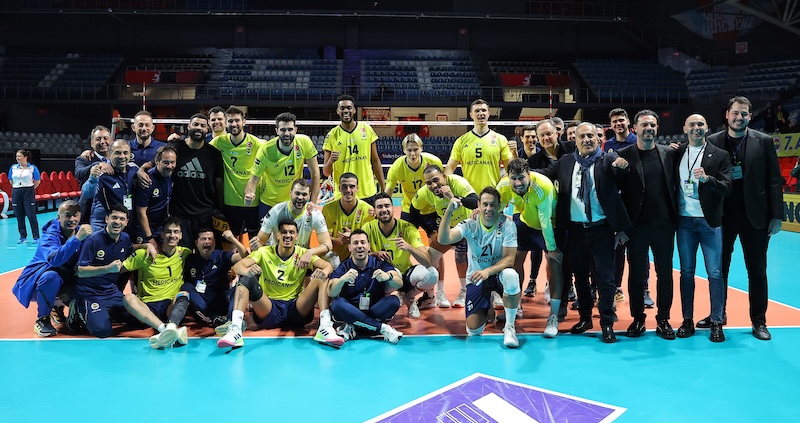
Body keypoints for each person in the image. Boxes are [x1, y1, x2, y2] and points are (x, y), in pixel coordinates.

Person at [536, 122, 632, 343]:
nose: (587, 140)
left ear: (597, 139)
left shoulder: (607, 159)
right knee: (580, 277)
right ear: (575, 140)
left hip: (602, 229)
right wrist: (521, 173)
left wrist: (622, 165)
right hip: (576, 230)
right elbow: (545, 174)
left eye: (591, 136)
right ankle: (585, 318)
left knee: (605, 278)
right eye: (582, 137)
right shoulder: (566, 161)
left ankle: (607, 322)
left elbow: (621, 169)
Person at [706, 96, 784, 341]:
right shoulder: (712, 141)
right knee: (720, 270)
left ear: (750, 116)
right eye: (735, 113)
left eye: (744, 114)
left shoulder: (764, 141)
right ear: (727, 114)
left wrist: (776, 216)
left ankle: (759, 321)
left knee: (757, 271)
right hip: (723, 216)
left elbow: (774, 180)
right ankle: (718, 315)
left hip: (756, 217)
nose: (739, 117)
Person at [217, 220, 343, 348]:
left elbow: (328, 266)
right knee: (246, 279)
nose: (288, 235)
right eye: (284, 232)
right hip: (269, 308)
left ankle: (325, 327)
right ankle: (236, 330)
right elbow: (238, 266)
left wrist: (324, 271)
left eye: (291, 232)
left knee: (322, 278)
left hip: (295, 309)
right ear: (277, 235)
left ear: (297, 236)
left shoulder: (303, 253)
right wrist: (247, 271)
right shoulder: (264, 252)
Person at [616, 110, 679, 340]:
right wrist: (620, 226)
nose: (649, 128)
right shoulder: (623, 156)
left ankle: (663, 319)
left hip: (664, 225)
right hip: (636, 228)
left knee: (665, 275)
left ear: (657, 128)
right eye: (644, 125)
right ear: (635, 128)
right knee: (636, 276)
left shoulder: (669, 154)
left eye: (652, 125)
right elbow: (616, 193)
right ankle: (638, 318)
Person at [438, 187, 520, 348]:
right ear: (478, 205)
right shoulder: (470, 225)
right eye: (485, 204)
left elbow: (510, 259)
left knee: (511, 275)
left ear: (500, 206)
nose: (489, 208)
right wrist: (449, 212)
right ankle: (487, 304)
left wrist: (487, 271)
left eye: (493, 205)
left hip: (498, 275)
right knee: (473, 330)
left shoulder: (507, 224)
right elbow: (443, 239)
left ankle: (510, 327)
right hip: (476, 277)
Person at [674, 114, 732, 342]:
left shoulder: (720, 155)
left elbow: (727, 187)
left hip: (709, 222)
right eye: (692, 125)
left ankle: (717, 321)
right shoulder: (677, 152)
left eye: (700, 124)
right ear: (685, 128)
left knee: (715, 273)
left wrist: (709, 180)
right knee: (686, 273)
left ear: (707, 128)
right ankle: (687, 319)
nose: (696, 128)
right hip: (684, 222)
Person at [497, 158, 562, 337]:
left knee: (555, 263)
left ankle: (554, 316)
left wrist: (551, 248)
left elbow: (545, 221)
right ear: (508, 177)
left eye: (521, 178)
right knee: (514, 261)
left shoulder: (543, 187)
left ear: (529, 175)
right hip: (525, 221)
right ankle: (515, 306)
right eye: (513, 178)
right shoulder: (503, 186)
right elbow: (496, 209)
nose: (518, 183)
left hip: (550, 225)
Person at [138, 113, 223, 247]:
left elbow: (219, 185)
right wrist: (141, 170)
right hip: (180, 215)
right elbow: (154, 162)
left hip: (205, 215)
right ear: (189, 126)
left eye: (202, 126)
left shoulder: (214, 154)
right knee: (183, 255)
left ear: (208, 129)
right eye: (195, 124)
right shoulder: (175, 148)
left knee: (205, 254)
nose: (199, 128)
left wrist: (219, 210)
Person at [12, 201, 91, 337]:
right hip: (39, 280)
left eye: (75, 215)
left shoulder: (82, 233)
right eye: (67, 215)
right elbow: (54, 260)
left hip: (67, 277)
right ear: (59, 217)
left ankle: (57, 307)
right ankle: (42, 319)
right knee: (50, 278)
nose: (72, 219)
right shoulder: (49, 236)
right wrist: (77, 239)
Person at [410, 165, 478, 309]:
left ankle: (465, 291)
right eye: (429, 183)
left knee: (462, 258)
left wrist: (454, 197)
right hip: (448, 229)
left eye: (436, 180)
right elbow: (413, 211)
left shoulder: (457, 182)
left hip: (468, 227)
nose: (433, 185)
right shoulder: (424, 192)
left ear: (444, 177)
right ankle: (434, 295)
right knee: (430, 258)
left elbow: (475, 201)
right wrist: (430, 231)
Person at [362, 192, 438, 319]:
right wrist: (374, 254)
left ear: (393, 208)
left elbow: (427, 261)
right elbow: (357, 258)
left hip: (405, 273)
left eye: (387, 206)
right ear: (374, 211)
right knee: (391, 274)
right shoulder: (368, 228)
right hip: (384, 276)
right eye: (379, 207)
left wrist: (409, 247)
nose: (384, 210)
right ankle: (387, 300)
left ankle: (409, 297)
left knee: (432, 274)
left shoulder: (407, 228)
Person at [121, 217, 192, 349]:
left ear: (181, 235)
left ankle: (171, 326)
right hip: (147, 307)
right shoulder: (144, 254)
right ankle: (166, 330)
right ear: (162, 234)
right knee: (128, 298)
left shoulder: (184, 253)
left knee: (184, 294)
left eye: (176, 232)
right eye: (168, 232)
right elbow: (118, 269)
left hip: (170, 307)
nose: (172, 235)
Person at [604, 108, 649, 306]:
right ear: (610, 125)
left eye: (621, 120)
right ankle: (616, 288)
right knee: (616, 251)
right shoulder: (608, 145)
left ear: (629, 122)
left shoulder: (637, 141)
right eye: (614, 121)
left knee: (639, 251)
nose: (618, 124)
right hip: (616, 205)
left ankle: (644, 289)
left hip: (636, 205)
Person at [327, 229, 405, 344]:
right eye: (355, 243)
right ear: (349, 247)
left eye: (363, 242)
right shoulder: (344, 267)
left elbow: (399, 283)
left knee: (393, 301)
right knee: (336, 304)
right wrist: (342, 279)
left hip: (372, 310)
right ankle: (381, 328)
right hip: (350, 310)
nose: (359, 246)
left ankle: (353, 326)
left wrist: (388, 276)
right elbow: (331, 292)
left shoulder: (379, 264)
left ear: (369, 246)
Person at [72, 205, 137, 339]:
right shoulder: (93, 240)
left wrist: (147, 245)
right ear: (106, 219)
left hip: (112, 293)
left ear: (126, 222)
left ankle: (106, 313)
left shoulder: (125, 238)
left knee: (139, 321)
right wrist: (107, 268)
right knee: (102, 331)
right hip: (90, 294)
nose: (117, 222)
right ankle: (79, 310)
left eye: (121, 219)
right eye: (114, 218)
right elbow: (80, 271)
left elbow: (131, 248)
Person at [245, 112, 320, 221]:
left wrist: (312, 201)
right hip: (269, 203)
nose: (287, 134)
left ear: (296, 130)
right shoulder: (265, 150)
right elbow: (254, 179)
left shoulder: (304, 142)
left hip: (294, 203)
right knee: (264, 232)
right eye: (283, 130)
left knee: (295, 232)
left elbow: (315, 173)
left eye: (290, 129)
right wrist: (249, 193)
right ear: (277, 131)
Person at [209, 106, 266, 236]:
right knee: (231, 240)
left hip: (252, 201)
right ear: (226, 123)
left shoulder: (257, 143)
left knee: (254, 239)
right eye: (230, 121)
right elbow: (200, 149)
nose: (234, 124)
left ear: (244, 122)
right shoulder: (219, 142)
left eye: (237, 120)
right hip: (230, 202)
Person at [251, 178, 332, 268]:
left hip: (301, 257)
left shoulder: (315, 214)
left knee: (332, 258)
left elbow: (328, 244)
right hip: (277, 256)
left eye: (304, 194)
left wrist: (310, 252)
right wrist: (256, 245)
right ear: (290, 193)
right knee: (252, 257)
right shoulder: (276, 211)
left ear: (309, 196)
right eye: (297, 193)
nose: (300, 197)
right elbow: (261, 241)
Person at [322, 95, 385, 205]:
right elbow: (326, 172)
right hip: (343, 195)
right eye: (342, 108)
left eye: (349, 108)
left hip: (367, 192)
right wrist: (331, 161)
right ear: (337, 111)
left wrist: (384, 188)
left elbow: (375, 161)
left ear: (354, 110)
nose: (346, 111)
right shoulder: (332, 135)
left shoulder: (366, 129)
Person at [444, 99, 513, 193]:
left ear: (488, 114)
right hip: (469, 194)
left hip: (492, 194)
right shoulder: (461, 141)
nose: (481, 113)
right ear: (471, 115)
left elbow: (510, 169)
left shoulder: (500, 139)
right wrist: (445, 186)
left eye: (484, 110)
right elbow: (450, 168)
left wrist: (503, 185)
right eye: (477, 111)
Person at [183, 228, 248, 327]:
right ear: (196, 242)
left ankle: (231, 321)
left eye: (210, 239)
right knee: (186, 287)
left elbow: (245, 256)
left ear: (214, 242)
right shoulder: (190, 259)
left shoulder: (222, 256)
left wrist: (232, 239)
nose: (207, 242)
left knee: (238, 288)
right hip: (201, 304)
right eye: (203, 239)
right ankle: (214, 319)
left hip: (220, 301)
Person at [384, 133, 443, 232]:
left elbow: (444, 183)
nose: (412, 154)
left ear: (421, 148)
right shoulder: (396, 167)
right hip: (409, 209)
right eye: (409, 150)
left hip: (431, 208)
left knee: (437, 240)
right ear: (404, 150)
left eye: (415, 149)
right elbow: (388, 193)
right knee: (406, 239)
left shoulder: (434, 161)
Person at [82, 140, 139, 233]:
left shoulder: (134, 169)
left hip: (126, 224)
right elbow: (87, 194)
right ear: (110, 154)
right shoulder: (102, 173)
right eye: (117, 153)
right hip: (103, 225)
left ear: (130, 155)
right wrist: (92, 178)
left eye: (125, 153)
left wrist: (142, 171)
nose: (122, 156)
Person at [322, 173, 374, 265]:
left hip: (358, 254)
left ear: (357, 188)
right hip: (336, 256)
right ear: (339, 188)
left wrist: (352, 238)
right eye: (344, 186)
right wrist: (339, 241)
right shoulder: (328, 208)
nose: (348, 190)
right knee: (328, 255)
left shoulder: (367, 210)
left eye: (352, 186)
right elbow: (325, 238)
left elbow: (369, 240)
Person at [134, 145, 176, 245]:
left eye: (172, 162)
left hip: (162, 228)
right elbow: (141, 212)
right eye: (166, 162)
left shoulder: (171, 175)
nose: (170, 166)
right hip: (145, 229)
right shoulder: (146, 180)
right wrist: (149, 237)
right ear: (157, 161)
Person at [75, 125, 112, 223]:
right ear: (92, 143)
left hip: (112, 208)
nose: (102, 142)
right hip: (89, 210)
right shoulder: (84, 159)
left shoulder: (117, 159)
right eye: (98, 139)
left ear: (111, 141)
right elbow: (79, 174)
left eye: (105, 138)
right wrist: (97, 165)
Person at [9, 149, 41, 243]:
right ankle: (23, 236)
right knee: (19, 215)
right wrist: (17, 186)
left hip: (28, 192)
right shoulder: (13, 167)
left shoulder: (32, 168)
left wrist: (30, 188)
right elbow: (10, 179)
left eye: (19, 156)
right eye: (16, 156)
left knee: (31, 215)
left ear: (25, 157)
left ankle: (36, 236)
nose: (17, 158)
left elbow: (37, 181)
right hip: (16, 191)